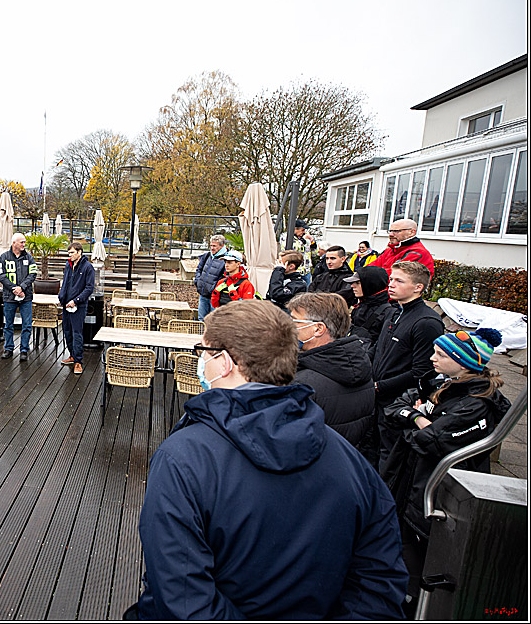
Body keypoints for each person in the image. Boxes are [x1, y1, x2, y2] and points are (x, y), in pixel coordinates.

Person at [133, 301, 407, 619]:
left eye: (202, 350)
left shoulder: (183, 458)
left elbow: (182, 596)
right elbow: (379, 579)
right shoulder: (349, 459)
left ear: (223, 362)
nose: (200, 360)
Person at [381, 328, 510, 617]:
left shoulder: (476, 405)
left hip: (434, 497)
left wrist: (416, 420)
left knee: (421, 562)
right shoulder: (440, 382)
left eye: (441, 354)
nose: (432, 358)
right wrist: (418, 417)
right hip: (409, 485)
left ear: (464, 363)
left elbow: (429, 441)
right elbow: (394, 410)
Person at [371, 260, 444, 470]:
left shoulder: (427, 322)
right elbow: (379, 351)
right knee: (372, 448)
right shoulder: (394, 312)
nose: (391, 284)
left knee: (389, 456)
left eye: (399, 281)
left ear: (418, 287)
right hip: (377, 396)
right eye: (391, 279)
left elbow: (423, 371)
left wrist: (380, 387)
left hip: (397, 402)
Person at [288, 293, 376, 456]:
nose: (289, 326)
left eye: (295, 321)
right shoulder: (360, 366)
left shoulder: (303, 384)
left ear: (318, 329)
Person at [0, 233, 38, 361]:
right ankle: (8, 348)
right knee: (8, 324)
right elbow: (2, 276)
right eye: (21, 242)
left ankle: (24, 350)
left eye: (24, 242)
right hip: (9, 297)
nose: (24, 245)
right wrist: (14, 289)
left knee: (27, 325)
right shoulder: (3, 257)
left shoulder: (29, 257)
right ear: (14, 243)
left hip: (26, 297)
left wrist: (22, 287)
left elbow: (33, 274)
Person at [57, 242, 95, 376]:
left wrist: (76, 300)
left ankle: (78, 361)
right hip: (66, 304)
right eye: (69, 253)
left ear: (79, 252)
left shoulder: (88, 267)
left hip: (79, 305)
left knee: (77, 333)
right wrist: (62, 297)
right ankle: (72, 355)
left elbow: (89, 288)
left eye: (72, 252)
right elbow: (65, 282)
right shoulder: (68, 265)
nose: (70, 255)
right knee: (67, 331)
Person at [346, 265, 393, 358]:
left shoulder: (388, 312)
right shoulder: (361, 306)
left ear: (371, 284)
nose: (352, 286)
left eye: (358, 283)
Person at [194, 234, 228, 320]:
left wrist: (214, 289)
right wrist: (198, 282)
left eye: (214, 246)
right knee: (201, 318)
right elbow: (199, 269)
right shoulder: (207, 256)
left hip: (215, 297)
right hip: (203, 293)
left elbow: (225, 278)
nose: (212, 248)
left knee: (213, 320)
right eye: (211, 245)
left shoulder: (226, 260)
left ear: (222, 246)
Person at [292, 219, 316, 285]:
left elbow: (314, 254)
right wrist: (303, 241)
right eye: (302, 230)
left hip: (307, 271)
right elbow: (294, 250)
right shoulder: (287, 237)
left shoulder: (305, 239)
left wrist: (313, 244)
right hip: (296, 271)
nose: (304, 232)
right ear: (295, 229)